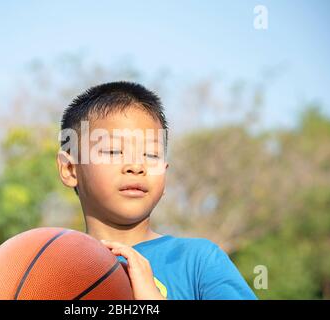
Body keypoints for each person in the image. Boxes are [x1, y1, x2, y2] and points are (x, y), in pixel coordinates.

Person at [56, 81, 257, 300]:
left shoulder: (199, 261)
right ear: (70, 169)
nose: (136, 166)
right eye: (113, 151)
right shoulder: (50, 268)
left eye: (151, 155)